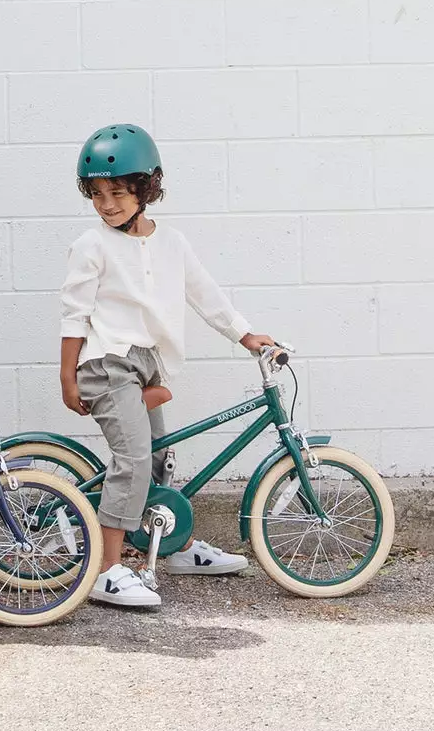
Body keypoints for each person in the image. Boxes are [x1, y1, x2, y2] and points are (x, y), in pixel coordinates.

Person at [59, 125, 275, 607]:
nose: (107, 203)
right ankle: (106, 571)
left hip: (146, 363)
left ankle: (169, 544)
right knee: (133, 459)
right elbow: (74, 315)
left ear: (146, 188)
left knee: (158, 458)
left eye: (118, 192)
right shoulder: (91, 245)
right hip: (106, 363)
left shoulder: (172, 242)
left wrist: (245, 335)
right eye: (97, 194)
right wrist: (67, 377)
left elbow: (204, 294)